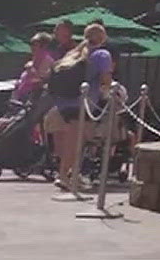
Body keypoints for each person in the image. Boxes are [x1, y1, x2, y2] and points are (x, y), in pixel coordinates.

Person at [42, 22, 112, 191]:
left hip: (63, 102)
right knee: (77, 141)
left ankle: (73, 174)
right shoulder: (102, 54)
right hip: (83, 103)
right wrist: (110, 89)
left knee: (75, 139)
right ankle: (64, 175)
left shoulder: (74, 53)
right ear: (102, 38)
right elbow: (105, 80)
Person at [0, 33, 55, 140]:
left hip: (32, 100)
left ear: (43, 46)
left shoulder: (47, 61)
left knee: (15, 121)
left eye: (35, 44)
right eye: (31, 44)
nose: (32, 47)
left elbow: (43, 81)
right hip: (19, 97)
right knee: (9, 117)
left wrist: (32, 72)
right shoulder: (33, 60)